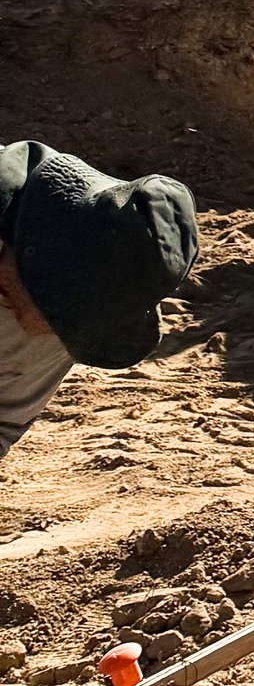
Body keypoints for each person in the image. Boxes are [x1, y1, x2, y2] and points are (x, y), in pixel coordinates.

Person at [0, 142, 199, 460]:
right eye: (59, 311)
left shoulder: (69, 322)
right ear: (34, 258)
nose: (54, 331)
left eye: (74, 316)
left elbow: (4, 420)